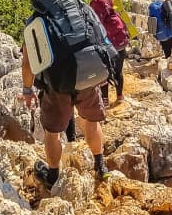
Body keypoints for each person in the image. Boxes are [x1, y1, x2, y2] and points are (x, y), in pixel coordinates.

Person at [19, 45, 110, 187]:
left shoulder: (37, 22)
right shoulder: (78, 20)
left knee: (52, 133)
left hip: (57, 86)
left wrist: (27, 89)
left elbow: (27, 63)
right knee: (91, 122)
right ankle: (101, 166)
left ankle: (53, 176)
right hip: (86, 79)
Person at [90, 0, 128, 106]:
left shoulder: (97, 19)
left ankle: (105, 100)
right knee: (118, 72)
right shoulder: (115, 14)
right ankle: (120, 96)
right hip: (121, 47)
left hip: (106, 49)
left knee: (104, 74)